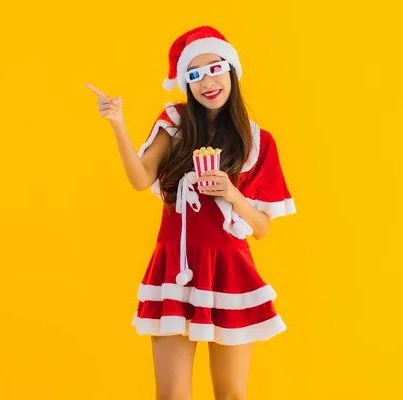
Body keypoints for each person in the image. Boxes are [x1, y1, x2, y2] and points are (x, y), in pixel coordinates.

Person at [86, 26, 296, 400]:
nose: (207, 82)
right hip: (176, 268)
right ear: (186, 83)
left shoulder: (257, 141)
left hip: (229, 270)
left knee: (231, 394)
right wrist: (117, 122)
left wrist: (231, 193)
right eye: (195, 75)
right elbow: (141, 179)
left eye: (214, 69)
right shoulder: (175, 123)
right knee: (171, 396)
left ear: (231, 69)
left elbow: (262, 228)